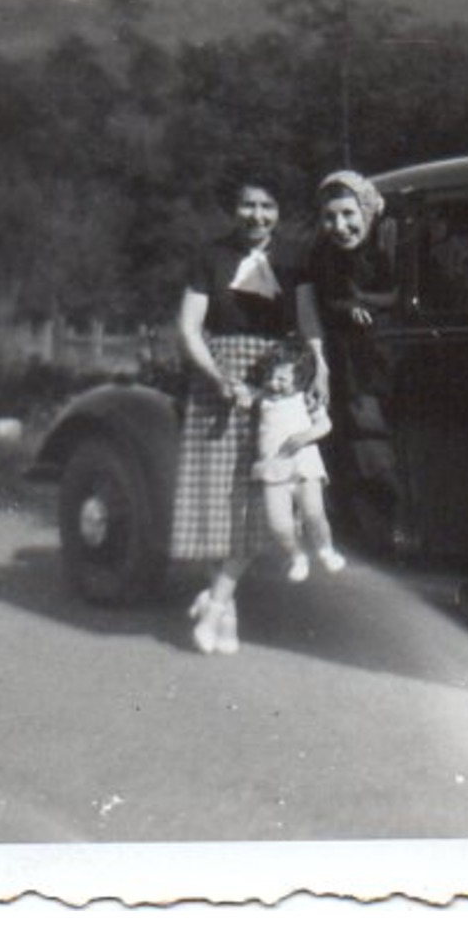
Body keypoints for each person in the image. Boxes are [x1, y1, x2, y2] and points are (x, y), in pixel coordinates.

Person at [174, 176, 327, 656]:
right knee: (219, 499)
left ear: (278, 212)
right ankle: (226, 609)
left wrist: (319, 366)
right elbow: (188, 327)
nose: (256, 216)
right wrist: (220, 380)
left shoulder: (293, 257)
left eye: (266, 206)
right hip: (219, 384)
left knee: (262, 499)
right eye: (247, 205)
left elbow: (306, 322)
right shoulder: (210, 256)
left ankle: (216, 603)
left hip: (277, 387)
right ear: (233, 209)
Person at [306, 170, 405, 552]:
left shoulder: (389, 241)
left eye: (349, 214)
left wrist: (366, 304)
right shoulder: (325, 256)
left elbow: (400, 291)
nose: (341, 226)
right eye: (330, 217)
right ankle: (372, 544)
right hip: (353, 369)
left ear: (366, 210)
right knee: (363, 453)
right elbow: (328, 299)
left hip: (392, 359)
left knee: (383, 455)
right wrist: (348, 307)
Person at [251, 338, 345, 587]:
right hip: (273, 467)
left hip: (303, 464)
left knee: (314, 512)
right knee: (278, 524)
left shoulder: (306, 399)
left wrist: (303, 437)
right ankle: (297, 555)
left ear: (300, 379)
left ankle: (326, 549)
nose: (274, 383)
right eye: (271, 377)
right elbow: (244, 397)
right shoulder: (263, 398)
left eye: (282, 379)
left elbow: (325, 425)